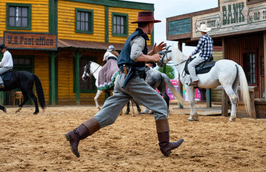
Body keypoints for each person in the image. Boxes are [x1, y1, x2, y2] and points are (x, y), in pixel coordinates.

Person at [65, 11, 183, 157]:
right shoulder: (140, 38)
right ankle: (165, 146)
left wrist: (152, 51)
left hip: (122, 79)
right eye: (153, 24)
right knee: (160, 105)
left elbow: (134, 57)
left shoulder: (134, 37)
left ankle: (75, 135)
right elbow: (135, 56)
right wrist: (153, 56)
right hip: (131, 80)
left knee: (108, 115)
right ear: (150, 24)